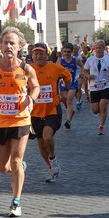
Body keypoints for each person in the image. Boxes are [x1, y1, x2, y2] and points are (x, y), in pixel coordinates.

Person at [0, 27, 39, 217]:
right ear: (0, 45)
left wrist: (31, 99)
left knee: (15, 161)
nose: (8, 46)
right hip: (0, 121)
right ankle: (20, 168)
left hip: (21, 120)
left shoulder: (26, 68)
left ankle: (16, 202)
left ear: (19, 47)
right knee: (2, 167)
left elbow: (35, 87)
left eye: (12, 43)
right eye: (5, 42)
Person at [30, 42, 72, 182]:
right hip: (35, 112)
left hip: (52, 109)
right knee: (41, 144)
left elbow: (68, 77)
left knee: (47, 137)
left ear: (46, 54)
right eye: (36, 53)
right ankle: (52, 168)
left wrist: (65, 91)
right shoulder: (28, 69)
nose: (38, 55)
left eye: (41, 53)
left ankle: (53, 158)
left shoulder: (55, 68)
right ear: (32, 55)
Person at [83, 40, 109, 135]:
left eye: (100, 47)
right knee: (95, 110)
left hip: (105, 86)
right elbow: (84, 70)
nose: (98, 50)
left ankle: (101, 125)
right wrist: (88, 76)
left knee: (103, 106)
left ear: (104, 48)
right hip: (94, 86)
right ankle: (100, 113)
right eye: (96, 48)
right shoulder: (90, 60)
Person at [57, 42, 82, 128]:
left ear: (72, 52)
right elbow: (55, 71)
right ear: (62, 52)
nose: (66, 53)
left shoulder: (76, 60)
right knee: (64, 99)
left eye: (68, 52)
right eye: (65, 51)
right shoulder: (60, 60)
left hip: (73, 82)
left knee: (69, 100)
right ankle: (70, 111)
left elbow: (83, 67)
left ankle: (68, 121)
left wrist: (81, 76)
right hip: (63, 83)